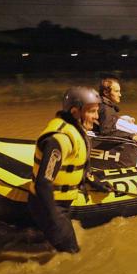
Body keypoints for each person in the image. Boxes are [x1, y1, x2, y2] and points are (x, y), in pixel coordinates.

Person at [28, 87, 110, 253]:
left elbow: (75, 165)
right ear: (75, 112)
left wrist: (94, 182)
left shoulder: (75, 132)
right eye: (92, 112)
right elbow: (43, 183)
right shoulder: (59, 140)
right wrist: (55, 218)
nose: (96, 117)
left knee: (52, 246)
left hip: (60, 204)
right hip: (50, 206)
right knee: (72, 254)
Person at [95, 77, 137, 149]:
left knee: (126, 118)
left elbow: (104, 121)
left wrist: (120, 118)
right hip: (103, 143)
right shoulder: (106, 108)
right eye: (116, 91)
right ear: (106, 92)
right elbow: (107, 132)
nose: (120, 95)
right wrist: (133, 136)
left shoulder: (101, 104)